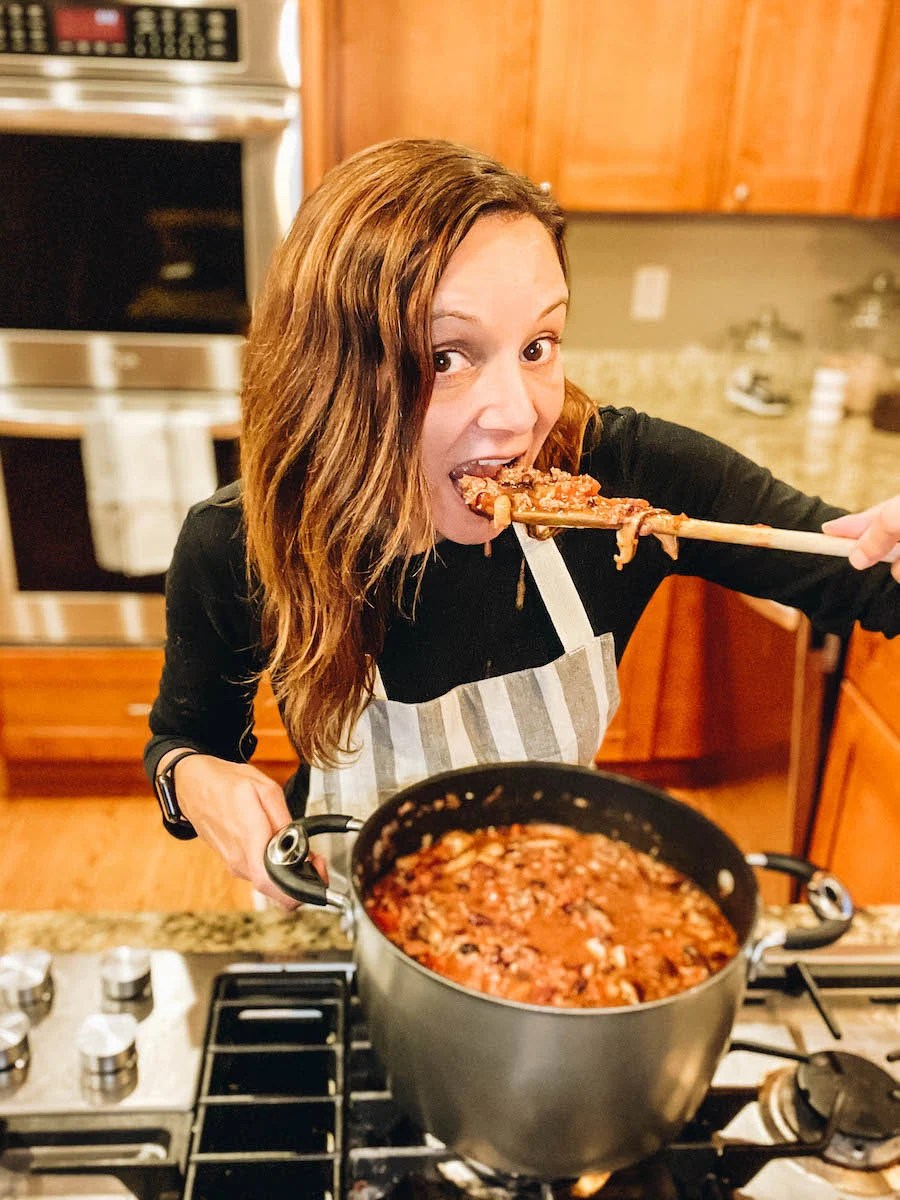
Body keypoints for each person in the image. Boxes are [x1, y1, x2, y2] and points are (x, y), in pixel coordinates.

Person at [144, 138, 899, 908]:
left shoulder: (626, 483)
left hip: (552, 910)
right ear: (335, 373)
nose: (518, 415)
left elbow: (866, 577)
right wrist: (195, 779)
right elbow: (184, 742)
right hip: (347, 911)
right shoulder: (246, 539)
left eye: (538, 345)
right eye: (446, 357)